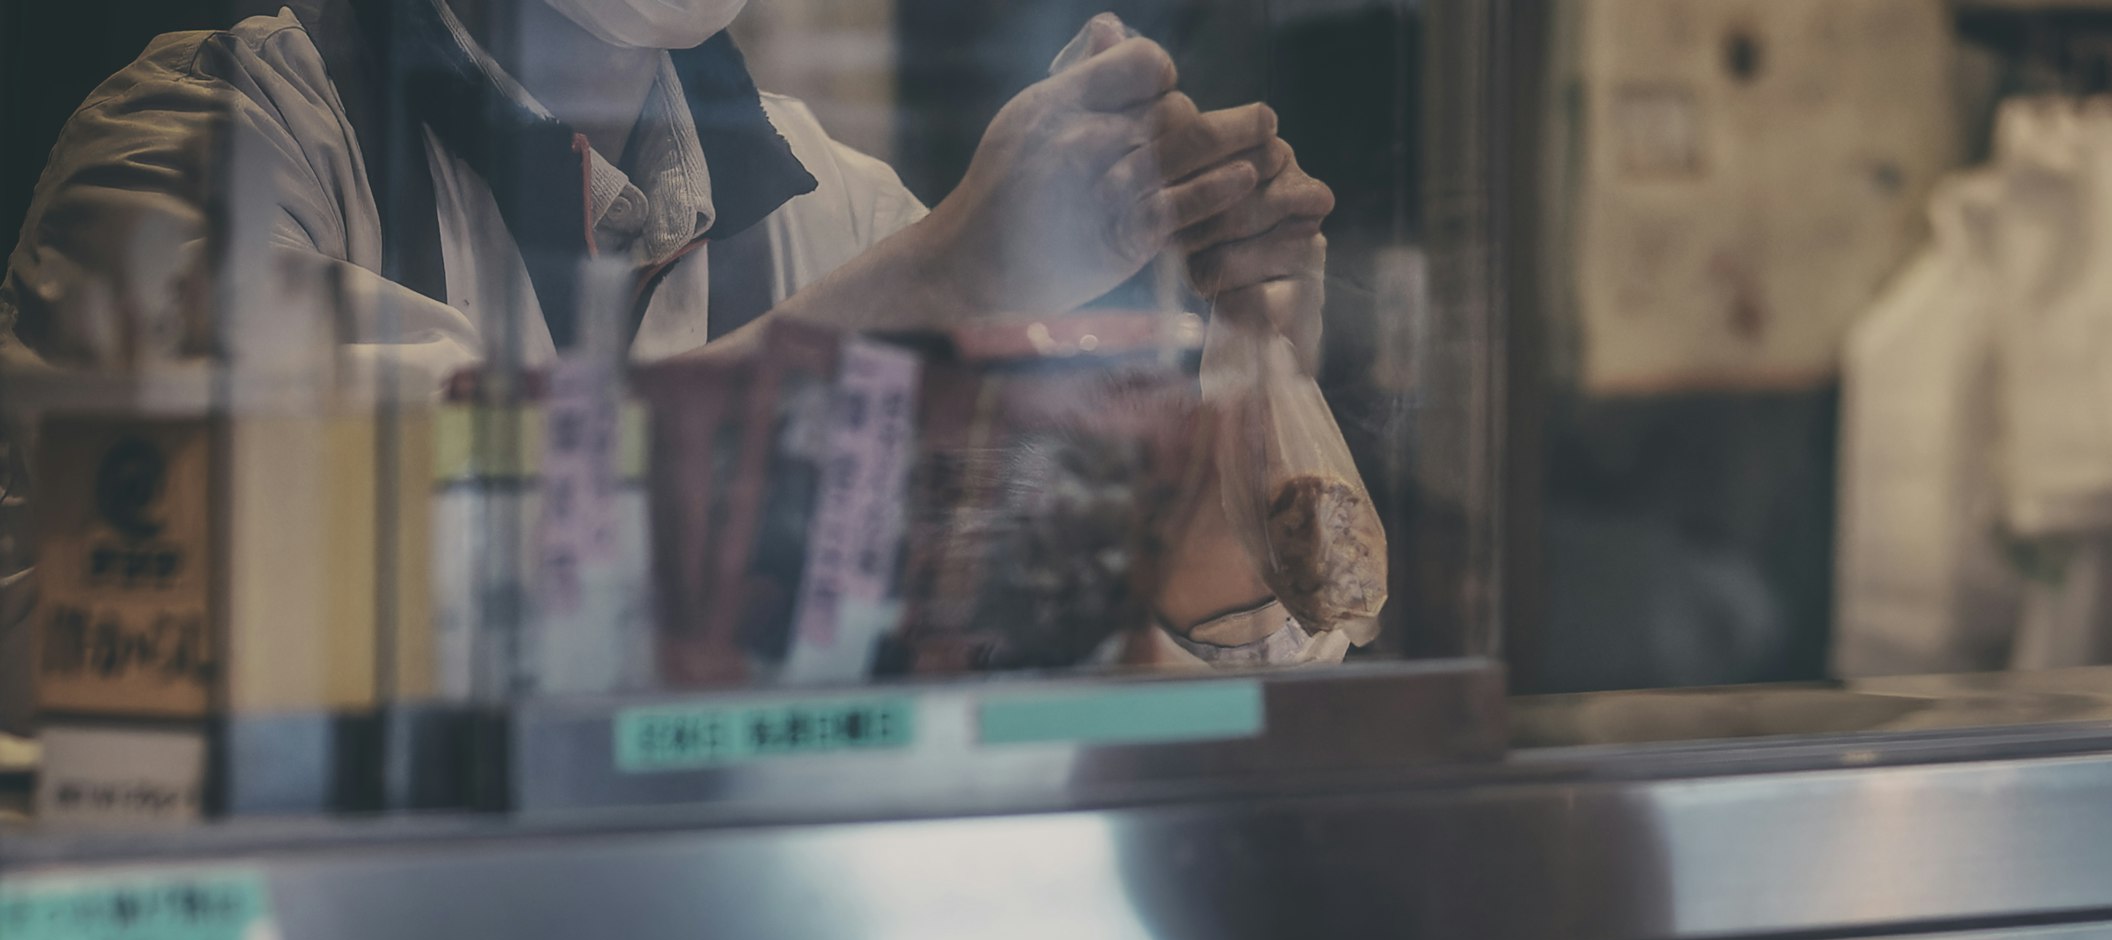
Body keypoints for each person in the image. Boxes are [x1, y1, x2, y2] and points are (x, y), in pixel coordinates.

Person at [3, 0, 1332, 644]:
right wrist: (938, 289)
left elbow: (1126, 652)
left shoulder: (841, 214)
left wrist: (1230, 372)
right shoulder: (196, 157)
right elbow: (340, 575)